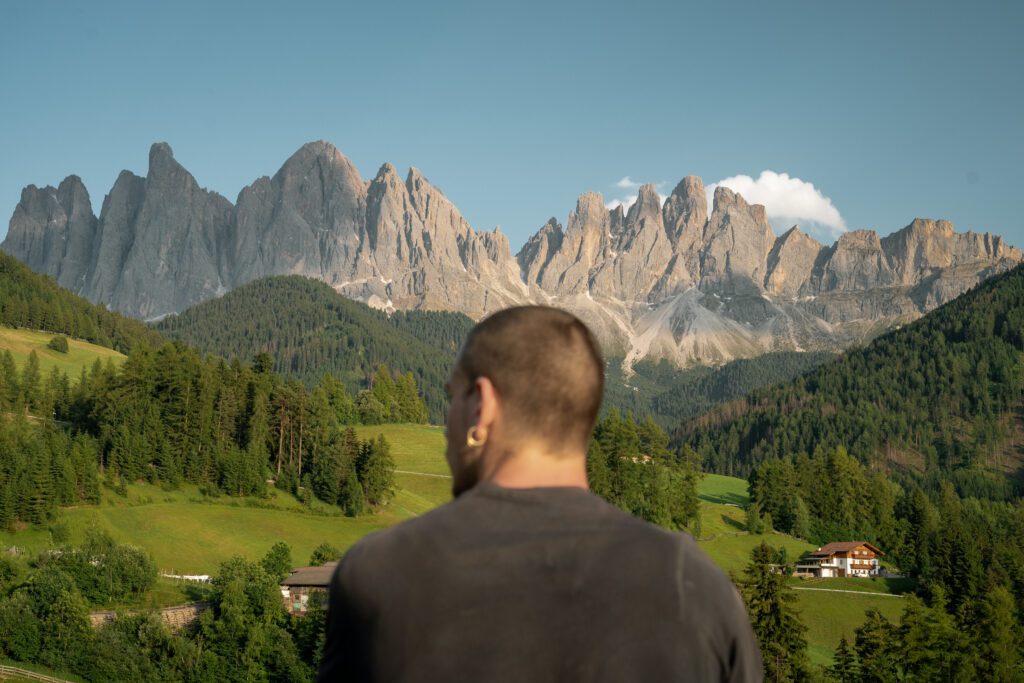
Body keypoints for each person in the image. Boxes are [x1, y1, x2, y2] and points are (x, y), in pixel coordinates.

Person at [318, 306, 762, 682]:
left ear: (481, 405)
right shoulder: (694, 585)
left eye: (451, 395)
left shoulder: (378, 573)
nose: (446, 422)